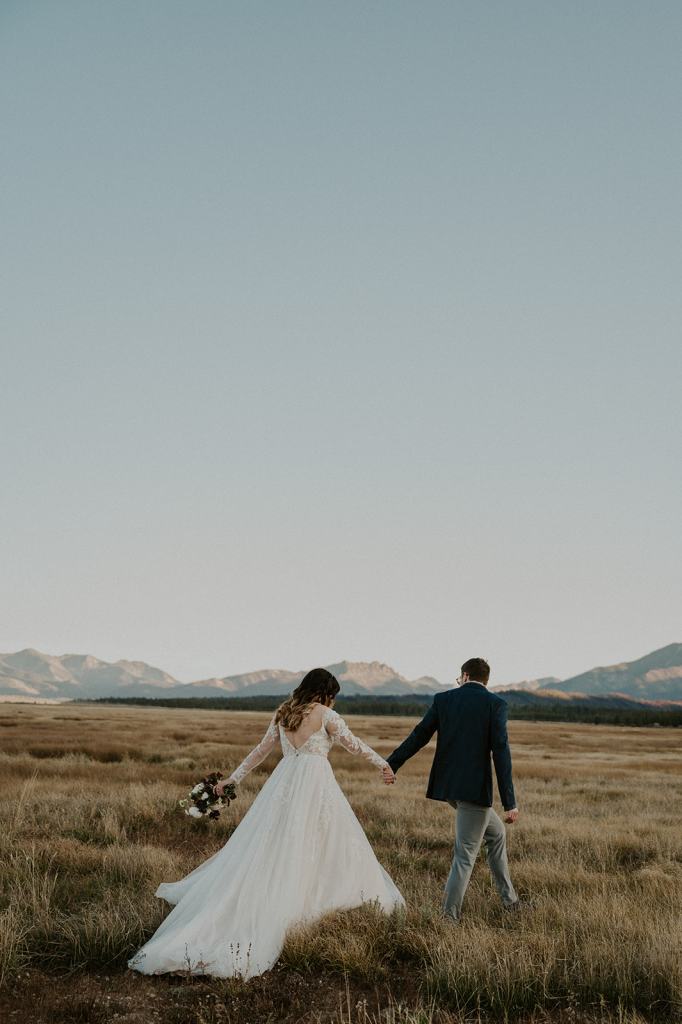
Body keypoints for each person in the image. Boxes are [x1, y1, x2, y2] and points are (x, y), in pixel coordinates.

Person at [128, 668, 404, 979]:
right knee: (320, 842)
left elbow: (259, 752)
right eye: (333, 696)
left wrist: (234, 778)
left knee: (275, 842)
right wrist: (385, 764)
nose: (334, 701)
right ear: (325, 693)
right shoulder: (327, 715)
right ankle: (303, 899)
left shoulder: (284, 713)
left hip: (284, 784)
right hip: (315, 786)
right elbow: (354, 745)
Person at [386, 657, 520, 921]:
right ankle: (448, 918)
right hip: (474, 793)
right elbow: (501, 753)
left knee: (496, 835)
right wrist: (510, 802)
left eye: (460, 679)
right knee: (465, 855)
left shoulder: (444, 699)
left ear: (466, 675)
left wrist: (393, 764)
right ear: (485, 680)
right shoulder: (496, 704)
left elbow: (419, 735)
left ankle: (510, 901)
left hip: (449, 787)